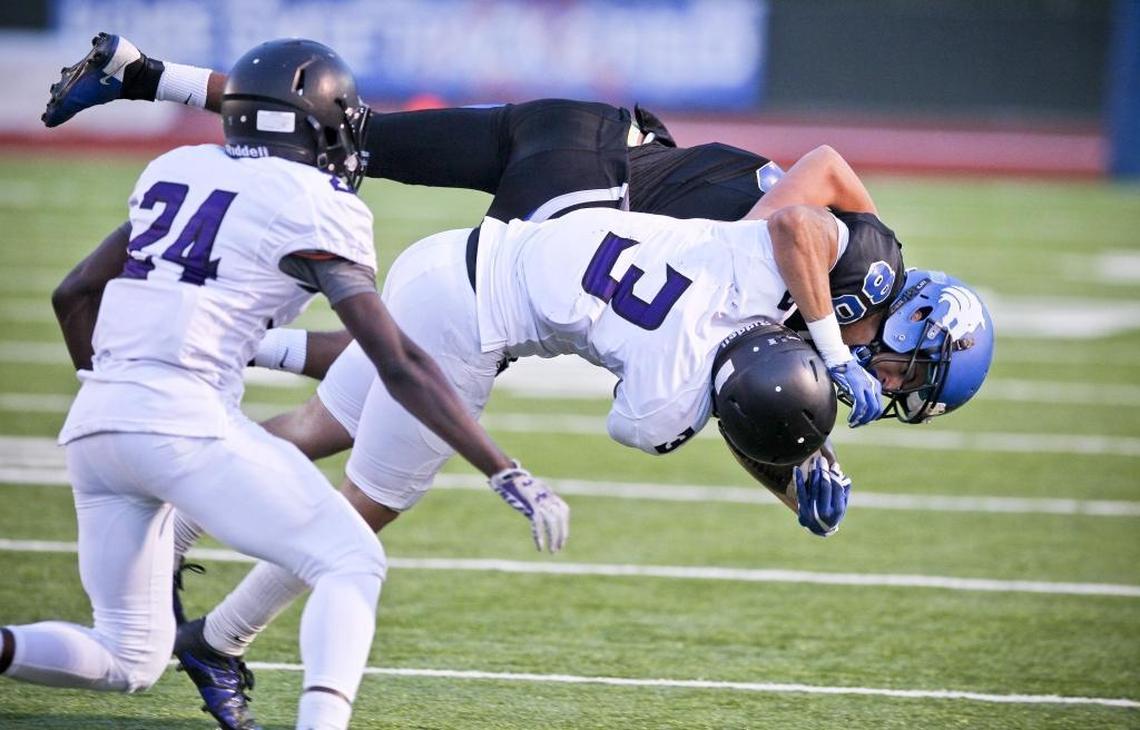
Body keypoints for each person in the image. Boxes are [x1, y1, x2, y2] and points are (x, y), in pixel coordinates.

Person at [44, 32, 994, 729]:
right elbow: (807, 195)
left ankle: (142, 71)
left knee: (345, 137)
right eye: (906, 365)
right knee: (420, 398)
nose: (889, 380)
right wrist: (828, 355)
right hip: (591, 182)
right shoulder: (862, 259)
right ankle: (219, 634)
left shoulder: (789, 313)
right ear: (909, 315)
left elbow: (740, 389)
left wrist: (797, 464)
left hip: (578, 140)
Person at [16, 38, 567, 730]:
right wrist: (502, 468)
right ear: (314, 124)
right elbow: (395, 359)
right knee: (351, 559)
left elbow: (74, 294)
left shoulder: (178, 169)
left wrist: (113, 392)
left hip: (98, 422)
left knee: (129, 655)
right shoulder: (313, 201)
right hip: (184, 420)